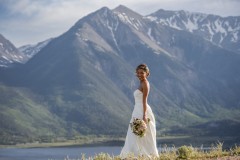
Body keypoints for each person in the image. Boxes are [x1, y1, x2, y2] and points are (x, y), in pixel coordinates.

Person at [120, 64, 159, 159]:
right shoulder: (141, 83)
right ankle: (134, 155)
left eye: (142, 73)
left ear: (147, 73)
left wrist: (144, 115)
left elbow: (144, 100)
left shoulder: (145, 83)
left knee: (139, 133)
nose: (139, 74)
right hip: (137, 109)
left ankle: (135, 155)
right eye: (138, 73)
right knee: (133, 133)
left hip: (142, 110)